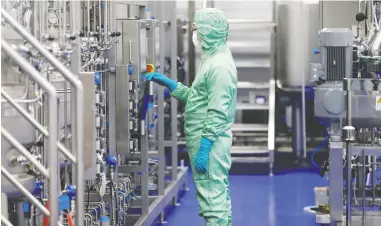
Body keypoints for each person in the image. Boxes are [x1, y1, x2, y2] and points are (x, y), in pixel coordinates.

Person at [142, 8, 237, 226]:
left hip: (209, 143)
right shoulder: (212, 57)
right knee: (215, 196)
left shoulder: (220, 66)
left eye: (196, 30)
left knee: (213, 201)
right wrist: (171, 84)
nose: (194, 35)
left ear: (207, 31)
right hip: (204, 139)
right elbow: (198, 97)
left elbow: (218, 111)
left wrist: (204, 147)